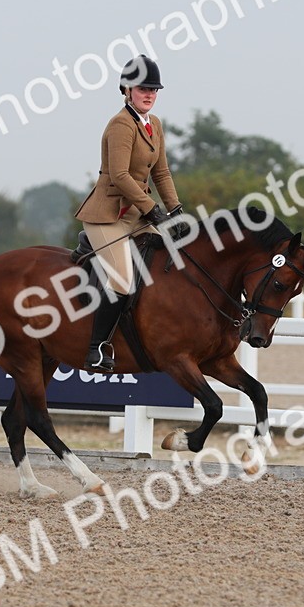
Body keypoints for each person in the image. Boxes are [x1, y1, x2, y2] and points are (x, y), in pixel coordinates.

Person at [73, 54, 190, 372]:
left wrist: (176, 210)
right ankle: (96, 348)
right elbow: (121, 176)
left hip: (136, 216)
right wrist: (154, 210)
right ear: (127, 90)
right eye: (143, 89)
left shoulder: (155, 125)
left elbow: (162, 173)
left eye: (154, 89)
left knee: (167, 261)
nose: (149, 94)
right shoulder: (120, 125)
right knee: (123, 280)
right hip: (107, 216)